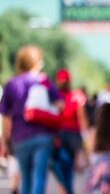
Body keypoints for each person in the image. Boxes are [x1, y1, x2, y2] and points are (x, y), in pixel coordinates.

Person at [0, 45, 62, 194]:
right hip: (42, 135)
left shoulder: (11, 84)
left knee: (26, 178)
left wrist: (5, 140)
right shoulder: (43, 81)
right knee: (39, 176)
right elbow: (60, 104)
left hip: (19, 136)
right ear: (36, 62)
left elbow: (5, 116)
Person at [50, 68, 89, 194]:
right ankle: (68, 189)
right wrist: (85, 135)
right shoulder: (76, 95)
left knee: (60, 166)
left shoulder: (53, 95)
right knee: (69, 166)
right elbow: (82, 116)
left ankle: (65, 190)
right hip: (72, 135)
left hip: (59, 134)